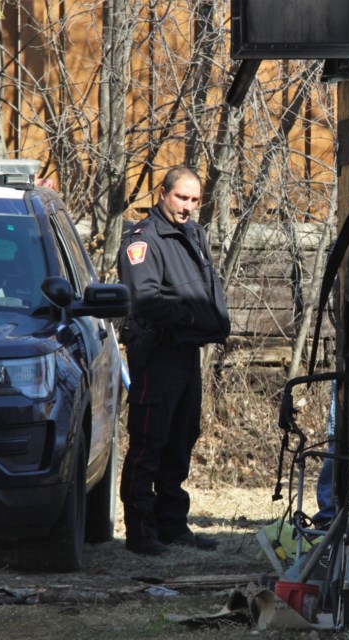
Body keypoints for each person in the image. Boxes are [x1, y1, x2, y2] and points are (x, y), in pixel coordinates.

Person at [117, 166, 231, 556]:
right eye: (182, 198)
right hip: (157, 353)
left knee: (181, 440)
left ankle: (172, 526)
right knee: (150, 443)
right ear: (162, 193)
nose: (188, 207)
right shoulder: (144, 240)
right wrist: (193, 315)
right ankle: (141, 532)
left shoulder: (192, 234)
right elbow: (145, 301)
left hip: (186, 352)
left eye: (195, 200)